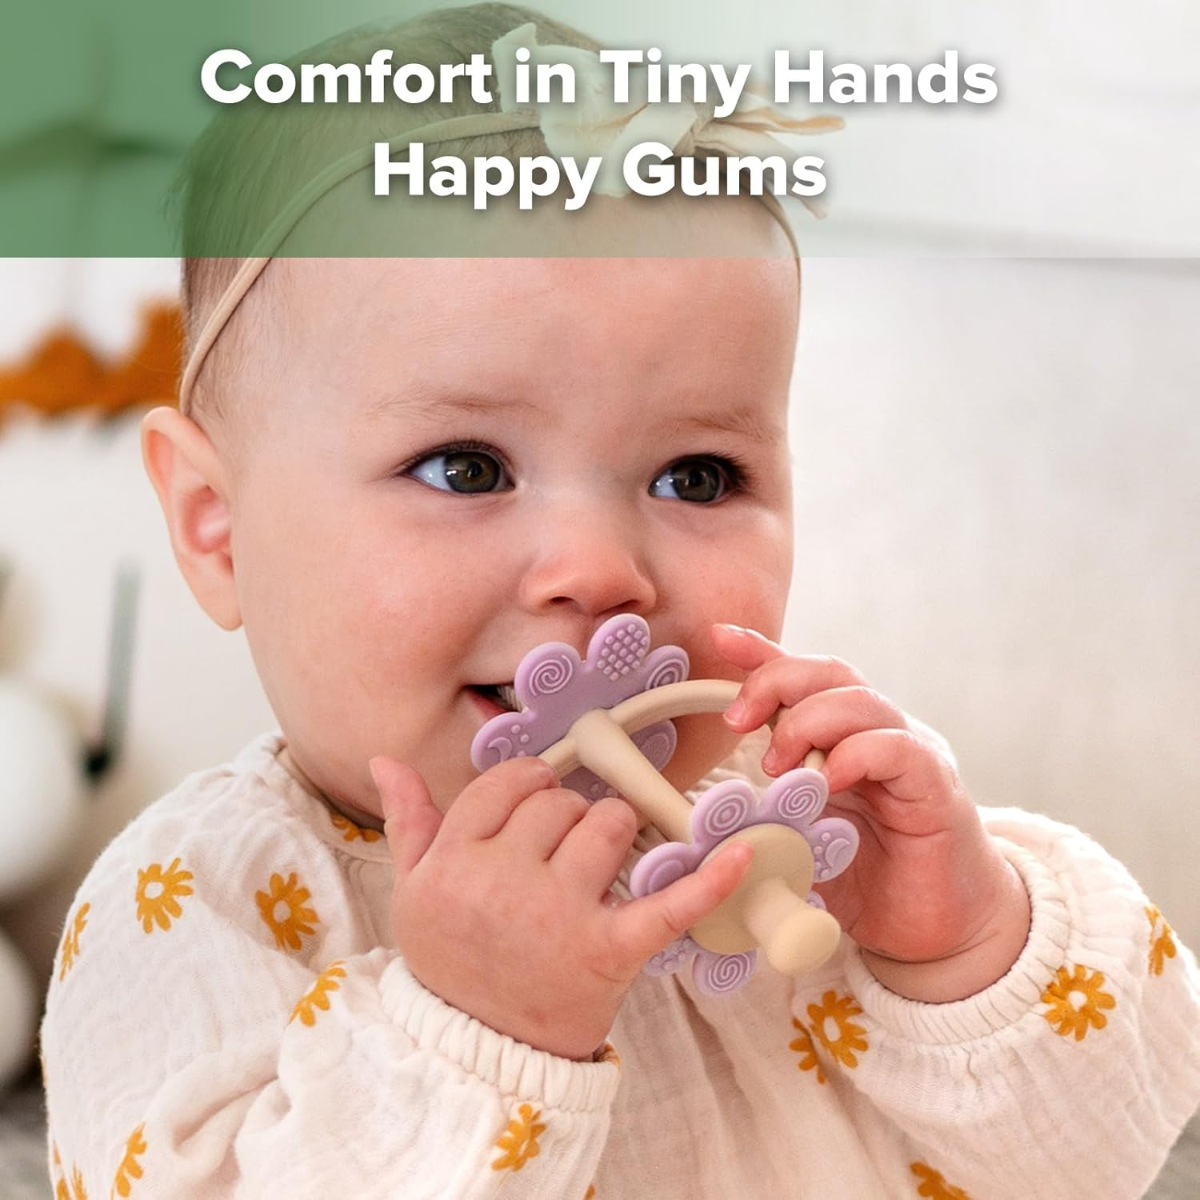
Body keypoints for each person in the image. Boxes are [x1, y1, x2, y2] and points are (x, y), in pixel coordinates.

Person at [40, 5, 1200, 1197]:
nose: (600, 571)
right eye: (466, 467)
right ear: (215, 529)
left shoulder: (792, 844)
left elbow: (1098, 1156)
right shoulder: (198, 905)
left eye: (696, 476)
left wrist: (963, 949)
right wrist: (478, 1035)